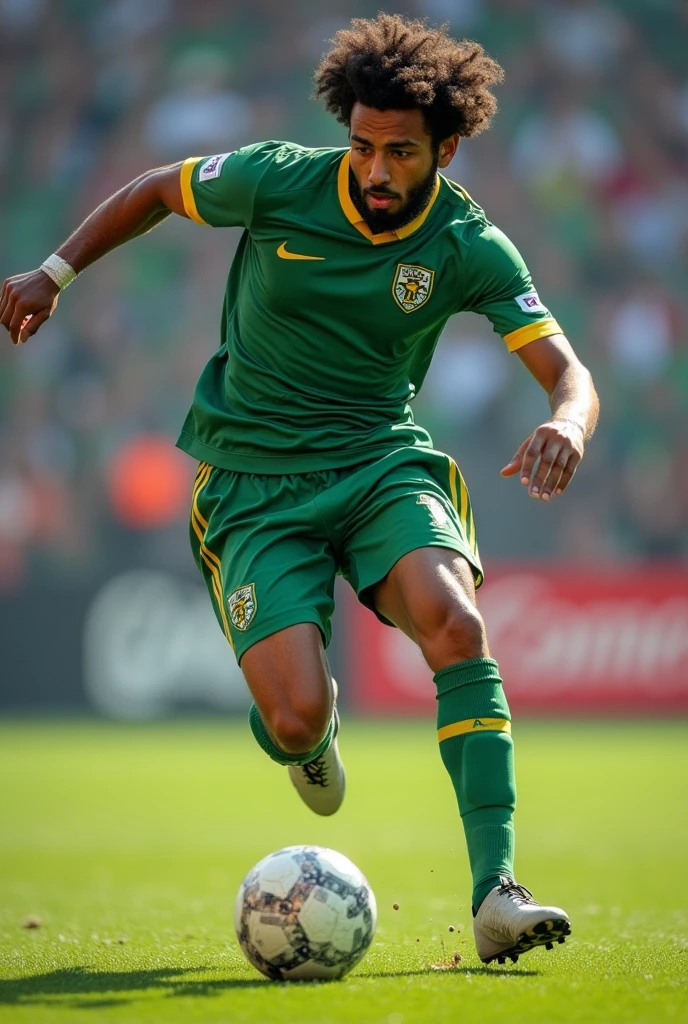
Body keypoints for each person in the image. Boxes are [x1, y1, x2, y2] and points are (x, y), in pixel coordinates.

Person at [0, 14, 598, 965]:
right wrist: (55, 271)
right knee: (294, 715)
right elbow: (157, 190)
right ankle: (308, 742)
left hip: (377, 462)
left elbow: (569, 369)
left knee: (456, 625)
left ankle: (496, 893)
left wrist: (566, 424)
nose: (372, 168)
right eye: (362, 144)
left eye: (399, 152)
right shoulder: (280, 179)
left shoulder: (469, 244)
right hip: (252, 484)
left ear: (444, 150)